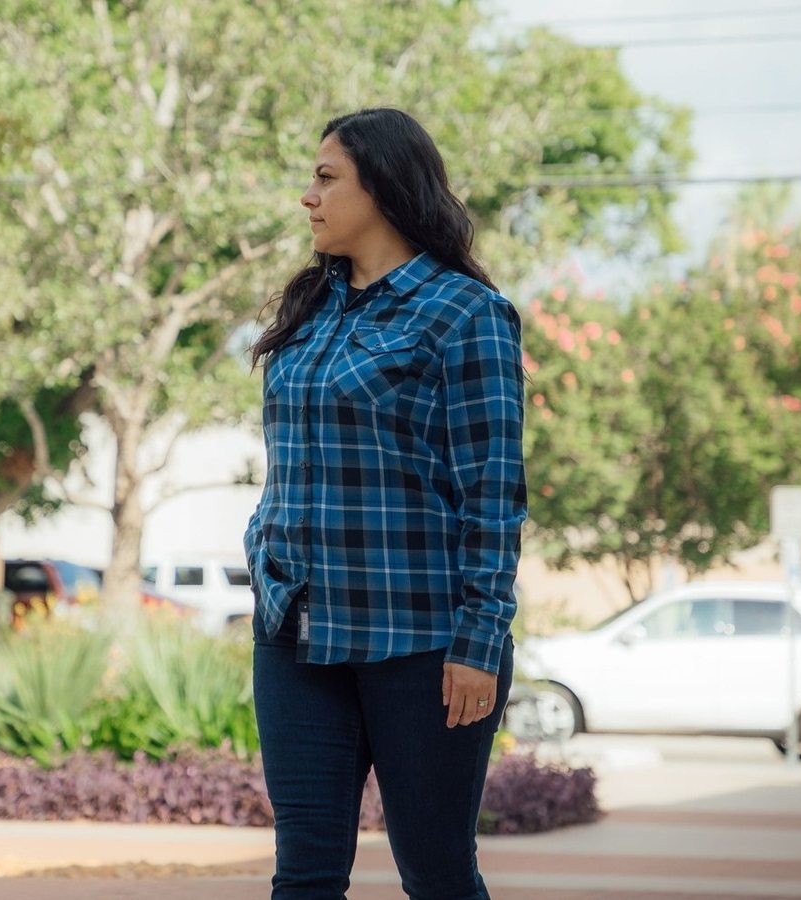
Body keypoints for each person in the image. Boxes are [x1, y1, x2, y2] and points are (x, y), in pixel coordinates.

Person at [244, 107, 527, 900]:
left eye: (326, 178)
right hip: (298, 634)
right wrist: (264, 556)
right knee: (303, 874)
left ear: (384, 187)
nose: (308, 197)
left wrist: (479, 640)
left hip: (423, 643)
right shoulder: (311, 308)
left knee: (436, 875)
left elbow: (493, 493)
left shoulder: (466, 315)